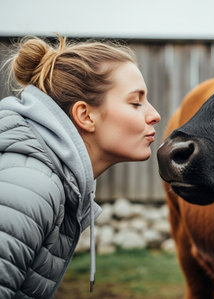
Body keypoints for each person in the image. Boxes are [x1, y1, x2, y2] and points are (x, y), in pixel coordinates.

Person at [0, 35, 161, 298]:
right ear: (85, 116)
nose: (155, 114)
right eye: (136, 102)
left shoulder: (48, 179)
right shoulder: (33, 187)